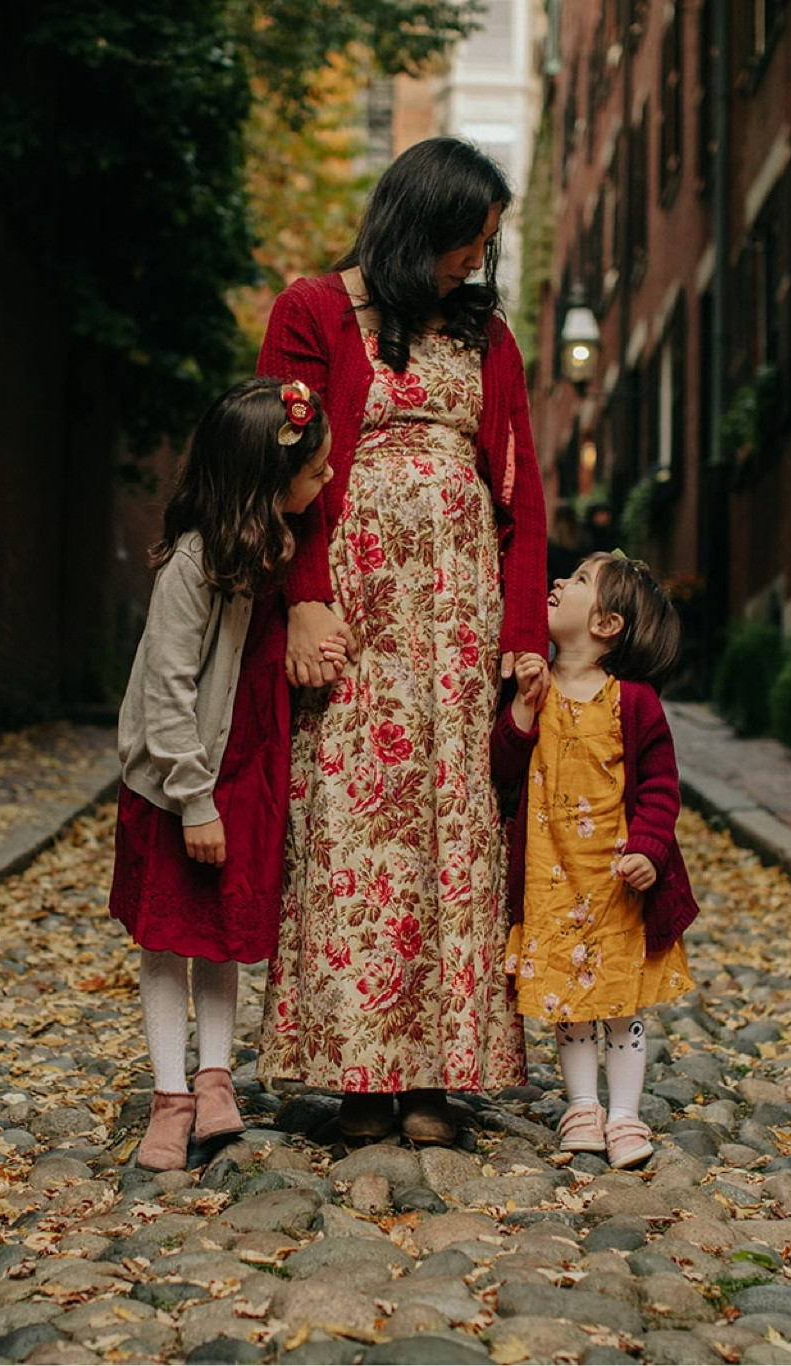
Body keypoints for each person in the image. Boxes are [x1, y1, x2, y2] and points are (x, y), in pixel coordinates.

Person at [255, 136, 548, 1143]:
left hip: (458, 623)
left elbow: (521, 493)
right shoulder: (311, 311)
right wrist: (301, 598)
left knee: (453, 826)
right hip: (355, 612)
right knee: (350, 825)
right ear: (415, 225)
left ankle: (435, 1079)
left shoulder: (487, 339)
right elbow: (277, 461)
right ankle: (357, 1077)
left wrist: (521, 633)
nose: (474, 262)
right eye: (463, 242)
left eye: (485, 245)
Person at [110, 378, 340, 1171]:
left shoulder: (276, 545)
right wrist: (193, 800)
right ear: (266, 478)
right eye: (316, 471)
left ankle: (216, 1079)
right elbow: (168, 684)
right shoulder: (197, 560)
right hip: (182, 782)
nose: (328, 482)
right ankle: (169, 1094)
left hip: (245, 770)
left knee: (223, 937)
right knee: (171, 937)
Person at [492, 552, 701, 1167]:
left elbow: (662, 787)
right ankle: (583, 1105)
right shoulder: (536, 687)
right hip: (552, 879)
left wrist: (650, 851)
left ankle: (627, 1115)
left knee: (619, 1003)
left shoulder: (633, 703)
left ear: (606, 624)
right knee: (568, 1004)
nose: (557, 580)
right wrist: (522, 711)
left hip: (617, 885)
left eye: (579, 580)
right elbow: (503, 770)